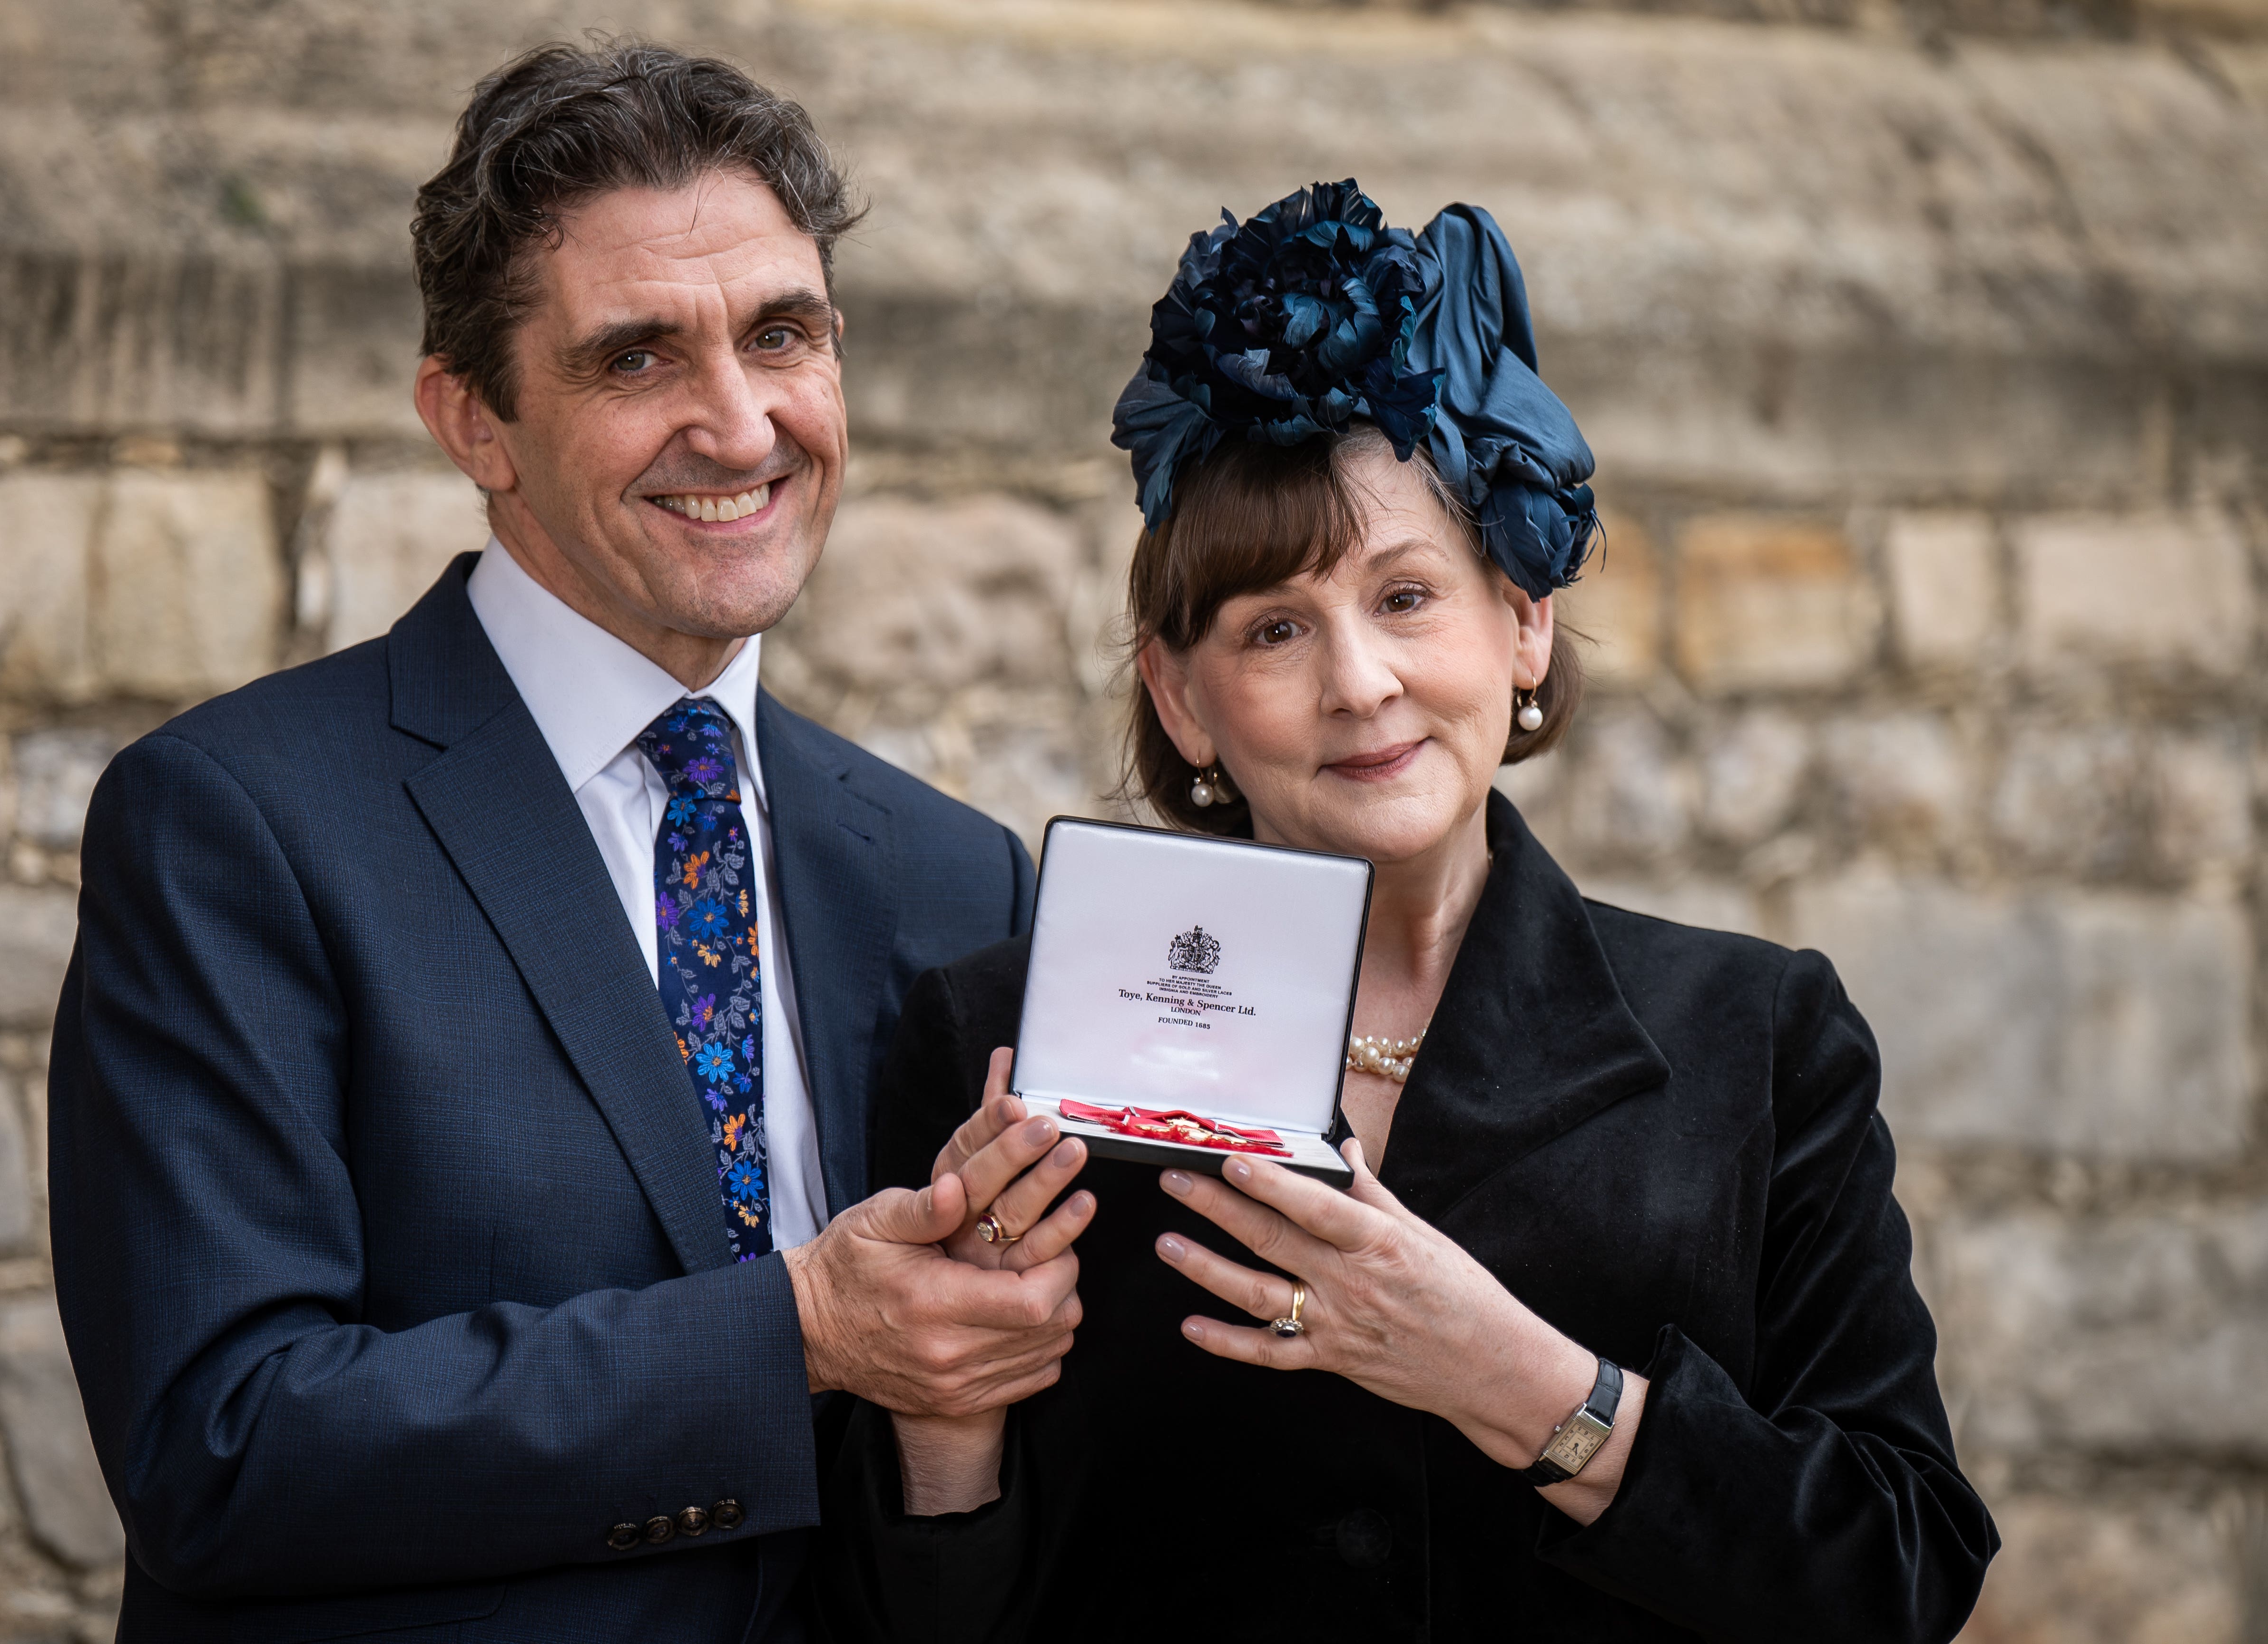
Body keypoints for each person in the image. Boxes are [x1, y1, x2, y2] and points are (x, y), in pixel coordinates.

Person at [814, 184, 2000, 1641]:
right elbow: (892, 1618)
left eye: (1409, 596)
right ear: (1181, 697)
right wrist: (950, 1421)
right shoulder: (996, 1043)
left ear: (1523, 623)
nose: (1360, 682)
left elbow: (1899, 1571)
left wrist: (1513, 1378)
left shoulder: (1758, 1040)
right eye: (1274, 628)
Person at [48, 42, 1090, 1644]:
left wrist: (952, 1435)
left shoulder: (954, 873)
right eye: (637, 360)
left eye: (783, 336)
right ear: (475, 423)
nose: (741, 427)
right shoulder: (236, 824)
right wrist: (798, 1331)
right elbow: (225, 1447)